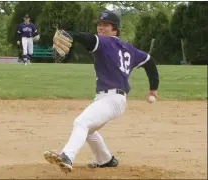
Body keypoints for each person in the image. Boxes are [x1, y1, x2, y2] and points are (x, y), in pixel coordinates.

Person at [44, 11, 159, 173]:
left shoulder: (105, 43)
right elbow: (150, 61)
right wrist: (153, 88)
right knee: (89, 130)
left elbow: (87, 38)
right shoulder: (129, 49)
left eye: (106, 25)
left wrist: (70, 34)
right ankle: (106, 160)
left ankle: (67, 156)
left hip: (111, 99)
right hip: (113, 100)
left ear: (115, 30)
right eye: (99, 24)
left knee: (81, 123)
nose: (100, 27)